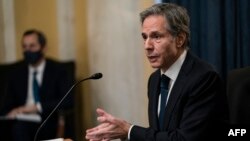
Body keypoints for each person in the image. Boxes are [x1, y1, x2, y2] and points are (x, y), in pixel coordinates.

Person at [85, 3, 228, 141]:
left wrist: (129, 131)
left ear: (180, 39)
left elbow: (184, 138)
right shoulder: (154, 80)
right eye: (144, 37)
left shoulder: (204, 78)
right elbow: (159, 135)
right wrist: (122, 134)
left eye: (156, 36)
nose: (147, 46)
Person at [0, 29, 73, 141]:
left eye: (32, 46)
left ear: (43, 48)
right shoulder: (15, 74)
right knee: (17, 127)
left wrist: (37, 107)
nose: (27, 50)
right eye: (24, 46)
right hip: (19, 121)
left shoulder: (58, 71)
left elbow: (67, 101)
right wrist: (13, 112)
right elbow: (5, 106)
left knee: (19, 129)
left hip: (46, 120)